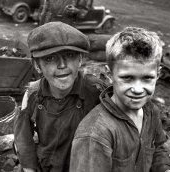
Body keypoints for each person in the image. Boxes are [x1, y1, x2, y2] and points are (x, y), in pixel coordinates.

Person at [70, 26, 170, 172]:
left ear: (158, 75)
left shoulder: (150, 111)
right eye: (127, 78)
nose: (138, 89)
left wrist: (165, 168)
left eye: (147, 78)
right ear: (109, 75)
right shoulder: (95, 134)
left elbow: (158, 148)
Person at [14, 21, 107, 172]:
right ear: (37, 65)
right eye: (50, 58)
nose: (62, 65)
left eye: (69, 55)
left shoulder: (97, 92)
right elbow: (23, 139)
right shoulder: (32, 94)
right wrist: (29, 168)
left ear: (80, 59)